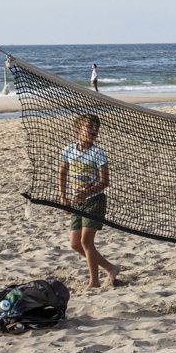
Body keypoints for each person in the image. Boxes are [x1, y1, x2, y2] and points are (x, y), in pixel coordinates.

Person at [58, 114, 120, 289]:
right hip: (77, 202)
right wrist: (63, 198)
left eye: (96, 128)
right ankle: (110, 267)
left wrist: (87, 192)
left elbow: (105, 181)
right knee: (75, 244)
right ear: (78, 129)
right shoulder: (68, 150)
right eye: (89, 126)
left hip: (95, 200)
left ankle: (94, 281)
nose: (94, 130)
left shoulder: (97, 152)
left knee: (86, 242)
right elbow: (62, 174)